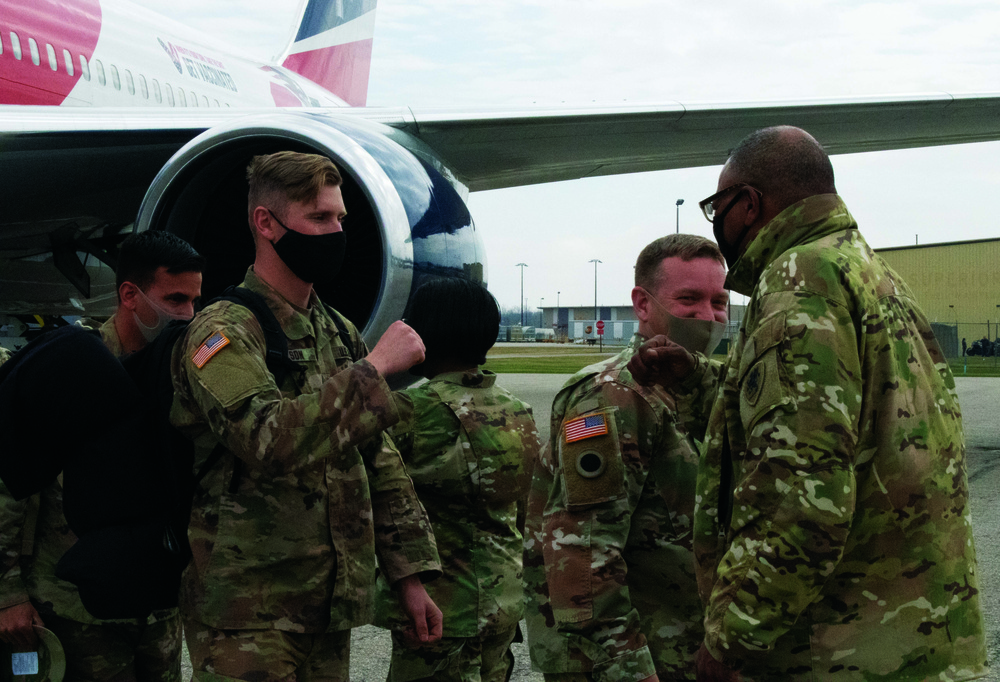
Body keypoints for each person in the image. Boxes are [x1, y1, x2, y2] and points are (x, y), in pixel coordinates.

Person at [673, 125, 986, 681]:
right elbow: (853, 414)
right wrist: (698, 379)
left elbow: (801, 491)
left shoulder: (801, 278)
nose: (717, 221)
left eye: (715, 206)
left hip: (836, 649)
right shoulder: (870, 271)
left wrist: (732, 638)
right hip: (907, 635)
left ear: (748, 204)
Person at [170, 151, 443, 681]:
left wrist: (409, 577)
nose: (336, 231)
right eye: (319, 218)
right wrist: (374, 370)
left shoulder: (336, 329)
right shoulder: (221, 332)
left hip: (325, 605)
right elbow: (268, 440)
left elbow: (377, 460)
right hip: (246, 610)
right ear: (266, 223)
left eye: (340, 218)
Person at [0, 229, 204, 681]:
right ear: (130, 294)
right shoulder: (72, 370)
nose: (188, 316)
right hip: (76, 607)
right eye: (174, 299)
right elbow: (9, 484)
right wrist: (7, 594)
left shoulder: (179, 378)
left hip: (157, 607)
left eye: (194, 302)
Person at [524, 234, 730, 682]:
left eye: (719, 301)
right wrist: (627, 669)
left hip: (689, 648)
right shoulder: (615, 396)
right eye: (689, 299)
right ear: (642, 304)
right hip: (639, 656)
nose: (707, 316)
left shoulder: (706, 391)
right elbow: (582, 552)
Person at [374, 277, 541, 682]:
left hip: (436, 606)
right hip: (503, 598)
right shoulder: (518, 412)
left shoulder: (409, 410)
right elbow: (525, 510)